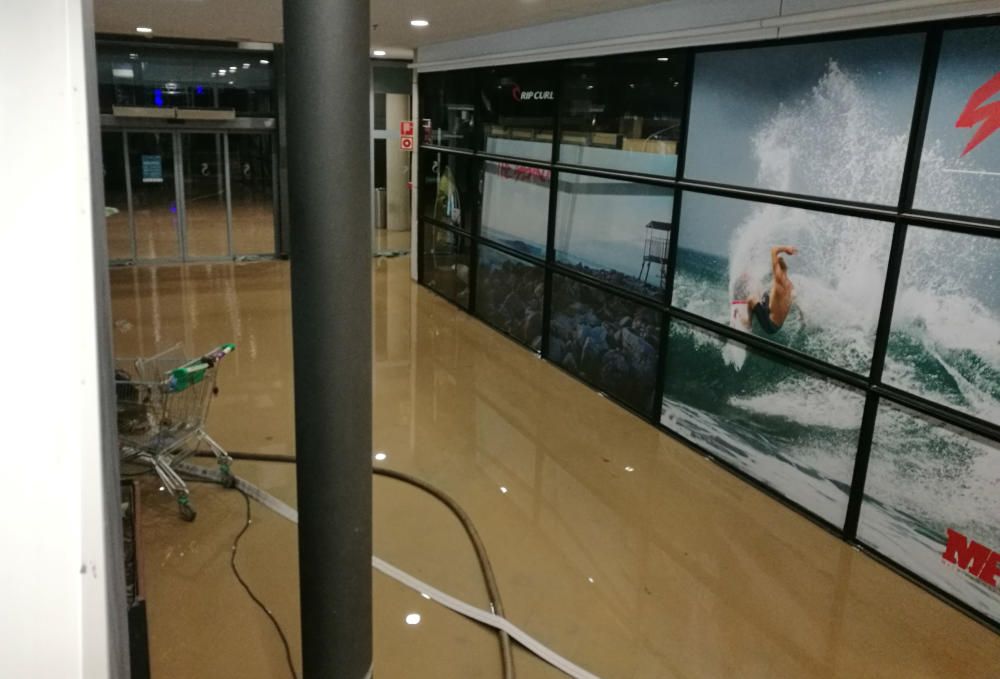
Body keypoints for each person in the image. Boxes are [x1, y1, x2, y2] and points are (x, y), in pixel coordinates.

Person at [747, 245, 798, 334]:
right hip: (777, 326)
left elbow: (774, 250)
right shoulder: (790, 286)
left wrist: (786, 249)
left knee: (751, 299)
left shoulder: (778, 279)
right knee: (765, 294)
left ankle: (747, 326)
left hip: (770, 324)